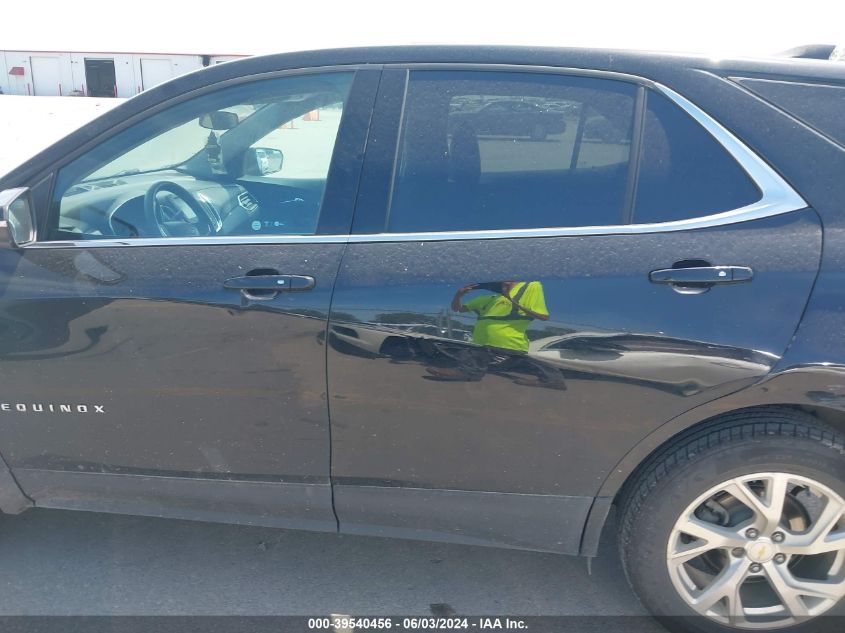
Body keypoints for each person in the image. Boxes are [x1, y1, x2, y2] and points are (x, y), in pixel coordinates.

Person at [425, 281, 564, 389]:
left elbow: (543, 317)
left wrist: (512, 299)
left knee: (523, 360)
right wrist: (459, 295)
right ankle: (469, 372)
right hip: (484, 342)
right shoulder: (485, 299)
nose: (506, 284)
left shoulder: (529, 291)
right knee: (475, 354)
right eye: (502, 284)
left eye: (509, 283)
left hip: (511, 342)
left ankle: (553, 379)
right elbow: (458, 309)